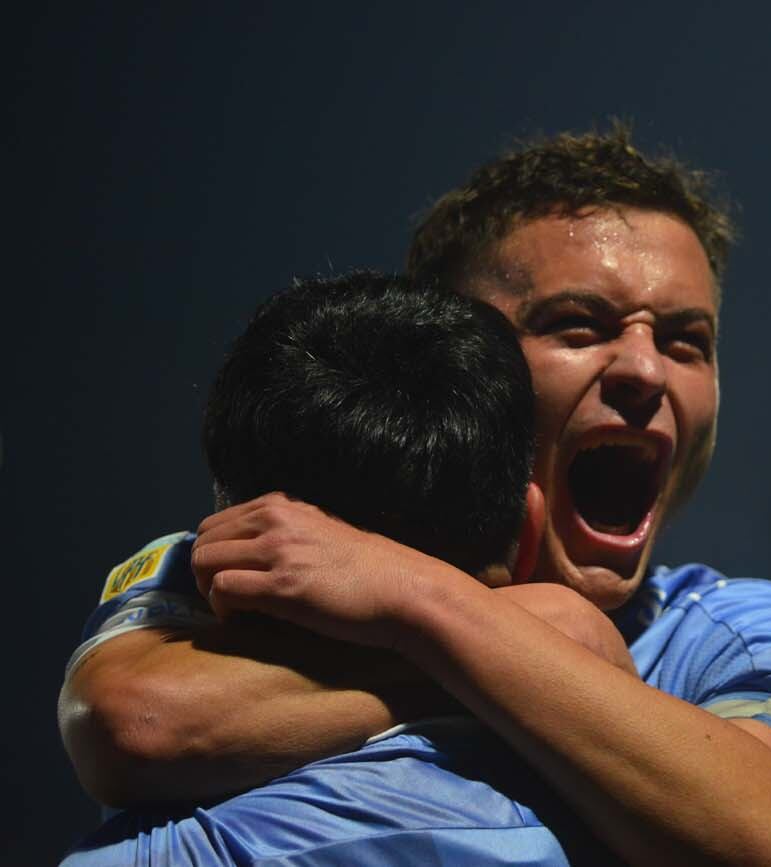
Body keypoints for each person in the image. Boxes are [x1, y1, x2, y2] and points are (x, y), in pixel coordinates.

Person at [60, 126, 771, 866]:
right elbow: (138, 719)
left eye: (685, 341)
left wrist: (414, 599)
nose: (644, 369)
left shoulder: (736, 634)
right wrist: (553, 641)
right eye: (579, 325)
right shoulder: (268, 552)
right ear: (459, 352)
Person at [63, 271, 633, 863]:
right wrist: (532, 641)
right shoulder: (624, 796)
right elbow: (133, 716)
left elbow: (135, 721)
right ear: (533, 526)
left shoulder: (164, 852)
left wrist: (414, 604)